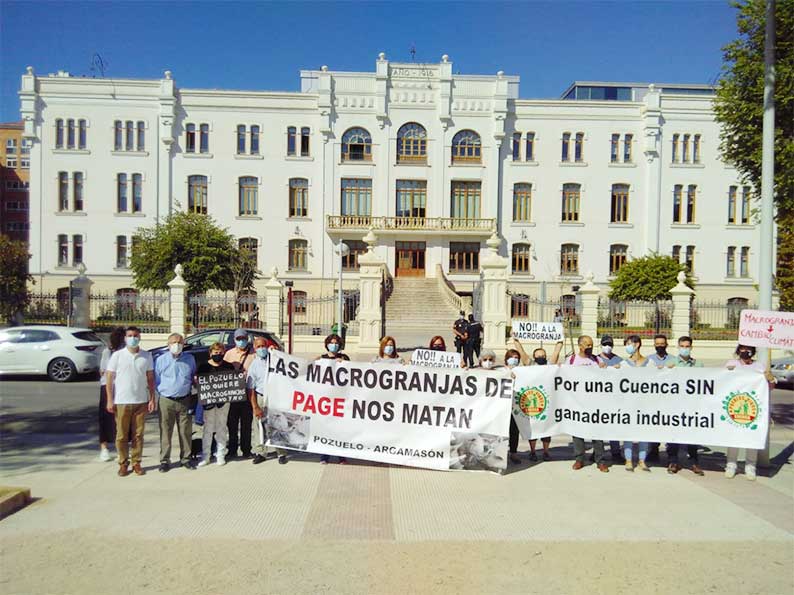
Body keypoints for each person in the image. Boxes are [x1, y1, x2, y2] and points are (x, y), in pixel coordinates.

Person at [105, 326, 156, 477]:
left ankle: (136, 462)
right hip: (122, 401)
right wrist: (109, 399)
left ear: (139, 337)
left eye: (135, 335)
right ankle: (122, 463)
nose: (133, 338)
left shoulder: (147, 356)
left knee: (138, 435)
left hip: (140, 401)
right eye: (130, 335)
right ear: (125, 338)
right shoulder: (117, 356)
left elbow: (150, 379)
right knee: (121, 435)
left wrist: (152, 398)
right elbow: (109, 378)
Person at [724, 344, 775, 480]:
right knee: (734, 437)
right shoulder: (732, 363)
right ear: (738, 350)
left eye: (748, 349)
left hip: (753, 406)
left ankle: (750, 466)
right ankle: (731, 465)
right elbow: (722, 381)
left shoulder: (759, 366)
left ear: (752, 351)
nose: (745, 351)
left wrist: (770, 379)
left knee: (752, 437)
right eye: (742, 348)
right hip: (734, 404)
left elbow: (769, 386)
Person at [509, 337, 563, 461]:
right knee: (533, 428)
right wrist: (516, 339)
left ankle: (546, 452)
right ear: (534, 357)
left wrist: (560, 337)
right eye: (538, 355)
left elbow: (556, 352)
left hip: (546, 401)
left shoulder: (549, 365)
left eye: (543, 355)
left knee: (546, 428)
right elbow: (521, 351)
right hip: (532, 400)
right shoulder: (530, 365)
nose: (541, 357)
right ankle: (533, 451)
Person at [154, 332, 197, 472]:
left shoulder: (190, 359)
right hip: (166, 400)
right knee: (165, 431)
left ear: (184, 344)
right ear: (168, 344)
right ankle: (164, 460)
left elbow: (192, 377)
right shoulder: (161, 360)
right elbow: (156, 379)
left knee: (185, 431)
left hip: (184, 400)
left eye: (179, 342)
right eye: (173, 342)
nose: (176, 345)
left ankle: (186, 459)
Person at [567, 335, 609, 472]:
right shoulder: (572, 360)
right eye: (587, 345)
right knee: (578, 432)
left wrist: (605, 369)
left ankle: (600, 460)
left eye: (591, 345)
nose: (590, 348)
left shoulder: (597, 360)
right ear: (580, 346)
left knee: (597, 432)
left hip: (595, 402)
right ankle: (579, 459)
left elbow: (606, 378)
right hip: (577, 402)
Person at [664, 336, 705, 476]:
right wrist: (664, 370)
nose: (685, 349)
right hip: (675, 404)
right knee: (673, 435)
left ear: (691, 347)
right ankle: (673, 462)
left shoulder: (698, 365)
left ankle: (694, 463)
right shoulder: (671, 363)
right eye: (682, 346)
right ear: (678, 346)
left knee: (692, 435)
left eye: (687, 346)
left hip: (692, 405)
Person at [248, 336, 288, 465]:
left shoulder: (275, 359)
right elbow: (251, 388)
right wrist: (255, 406)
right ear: (254, 349)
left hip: (275, 397)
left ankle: (281, 453)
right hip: (261, 397)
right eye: (258, 347)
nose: (261, 349)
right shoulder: (253, 365)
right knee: (259, 426)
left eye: (263, 346)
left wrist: (276, 351)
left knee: (278, 425)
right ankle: (261, 452)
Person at [195, 342, 234, 467]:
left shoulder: (229, 366)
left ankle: (220, 454)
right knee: (208, 428)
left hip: (224, 402)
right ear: (210, 353)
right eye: (215, 352)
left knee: (222, 427)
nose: (218, 354)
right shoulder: (203, 367)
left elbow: (233, 383)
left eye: (220, 352)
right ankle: (206, 455)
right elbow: (199, 385)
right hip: (208, 403)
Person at [224, 328, 255, 459]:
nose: (241, 341)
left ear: (247, 338)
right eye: (238, 339)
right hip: (233, 393)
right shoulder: (229, 354)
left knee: (246, 424)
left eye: (243, 338)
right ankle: (232, 450)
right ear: (234, 339)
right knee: (232, 424)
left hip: (248, 392)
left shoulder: (255, 353)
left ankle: (246, 450)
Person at [318, 334, 349, 464]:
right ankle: (324, 456)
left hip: (340, 398)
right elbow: (309, 366)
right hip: (326, 399)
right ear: (327, 344)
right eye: (331, 342)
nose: (334, 345)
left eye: (336, 343)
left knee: (340, 429)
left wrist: (345, 364)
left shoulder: (344, 358)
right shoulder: (322, 358)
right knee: (325, 428)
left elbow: (354, 372)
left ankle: (341, 456)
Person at [98, 326, 126, 462]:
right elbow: (103, 371)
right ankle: (104, 449)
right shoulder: (107, 352)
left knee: (121, 420)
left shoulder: (127, 352)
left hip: (122, 387)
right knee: (106, 418)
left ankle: (120, 448)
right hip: (107, 386)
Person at [596, 335, 624, 463]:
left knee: (614, 426)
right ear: (601, 345)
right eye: (605, 344)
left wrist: (620, 369)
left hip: (614, 399)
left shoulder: (619, 360)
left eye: (610, 344)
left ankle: (616, 452)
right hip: (599, 398)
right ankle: (598, 451)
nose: (607, 347)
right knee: (599, 427)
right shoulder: (595, 359)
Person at [645, 334, 673, 462]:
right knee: (654, 424)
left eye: (662, 344)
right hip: (653, 398)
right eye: (658, 344)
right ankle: (653, 449)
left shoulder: (674, 360)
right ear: (654, 345)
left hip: (669, 398)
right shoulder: (648, 360)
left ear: (666, 344)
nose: (660, 346)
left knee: (669, 424)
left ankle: (671, 451)